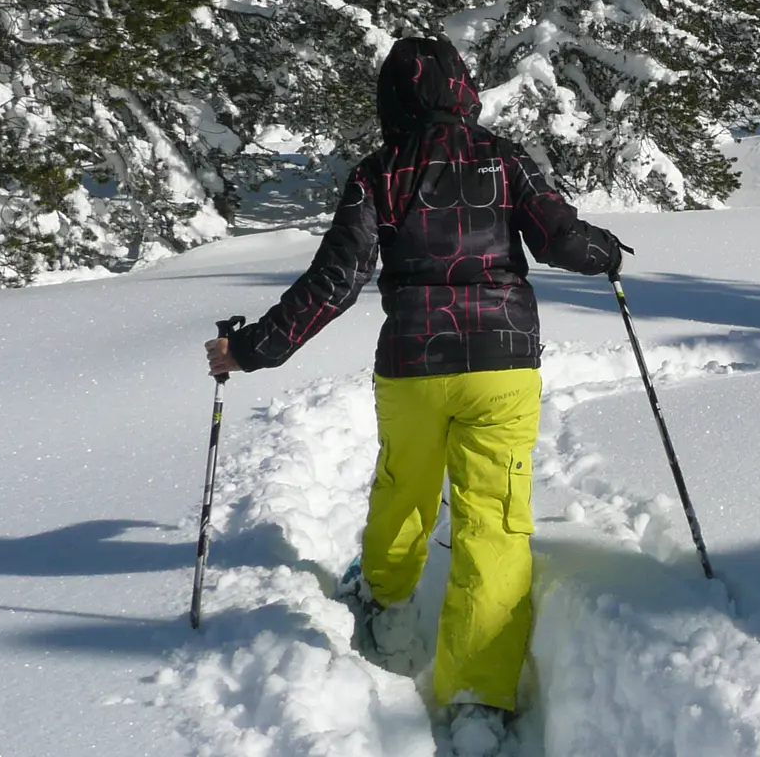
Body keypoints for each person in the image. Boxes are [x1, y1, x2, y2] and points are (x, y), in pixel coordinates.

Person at [203, 37, 626, 744]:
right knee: (494, 522)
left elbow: (336, 282)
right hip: (502, 365)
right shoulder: (504, 157)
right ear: (461, 89)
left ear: (392, 99)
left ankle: (387, 609)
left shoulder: (380, 172)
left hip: (413, 364)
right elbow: (559, 240)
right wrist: (606, 253)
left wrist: (250, 350)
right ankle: (479, 702)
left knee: (405, 485)